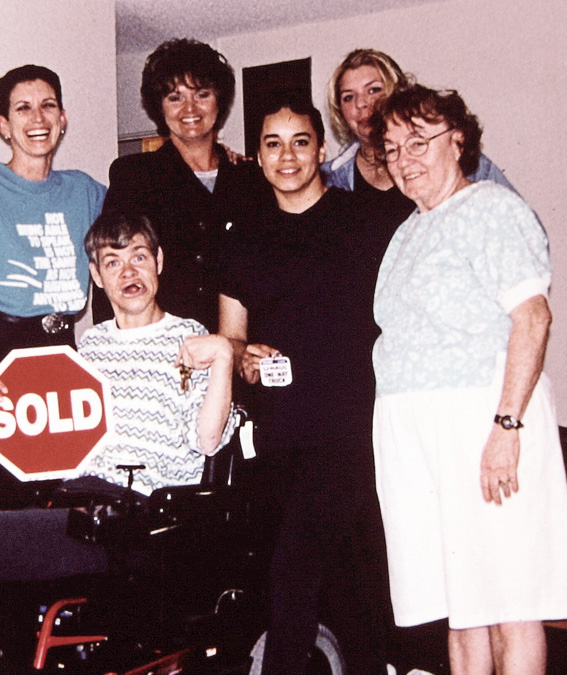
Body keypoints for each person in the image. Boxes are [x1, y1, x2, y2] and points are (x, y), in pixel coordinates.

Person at [0, 212, 238, 675]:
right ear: (96, 276)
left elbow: (209, 440)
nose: (129, 273)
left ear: (159, 261)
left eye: (139, 257)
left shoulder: (190, 338)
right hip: (74, 503)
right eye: (112, 263)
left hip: (136, 519)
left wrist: (221, 355)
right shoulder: (88, 347)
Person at [370, 84, 567, 675]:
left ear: (458, 140)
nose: (404, 159)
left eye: (418, 141)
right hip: (418, 437)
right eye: (392, 149)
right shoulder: (409, 229)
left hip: (483, 428)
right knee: (459, 607)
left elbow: (532, 317)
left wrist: (506, 428)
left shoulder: (492, 209)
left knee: (510, 599)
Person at [219, 94, 393, 675]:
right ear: (258, 157)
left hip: (353, 433)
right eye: (273, 143)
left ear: (321, 149)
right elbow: (232, 337)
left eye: (300, 142)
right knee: (317, 584)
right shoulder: (243, 237)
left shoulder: (364, 223)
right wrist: (243, 359)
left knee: (313, 575)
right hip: (276, 440)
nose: (287, 156)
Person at [0, 65, 106, 508]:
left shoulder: (85, 191)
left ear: (63, 118)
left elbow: (142, 229)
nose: (38, 118)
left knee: (59, 517)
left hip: (63, 364)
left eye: (48, 106)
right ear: (3, 125)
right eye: (23, 108)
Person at [98, 38, 267, 333]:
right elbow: (112, 266)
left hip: (243, 350)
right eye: (175, 97)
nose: (190, 108)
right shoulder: (135, 176)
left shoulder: (251, 178)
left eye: (202, 94)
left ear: (220, 101)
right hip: (165, 351)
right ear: (159, 107)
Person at [322, 48, 516, 195]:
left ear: (396, 92)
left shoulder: (455, 156)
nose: (362, 103)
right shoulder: (329, 178)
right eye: (348, 97)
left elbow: (520, 229)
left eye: (374, 90)